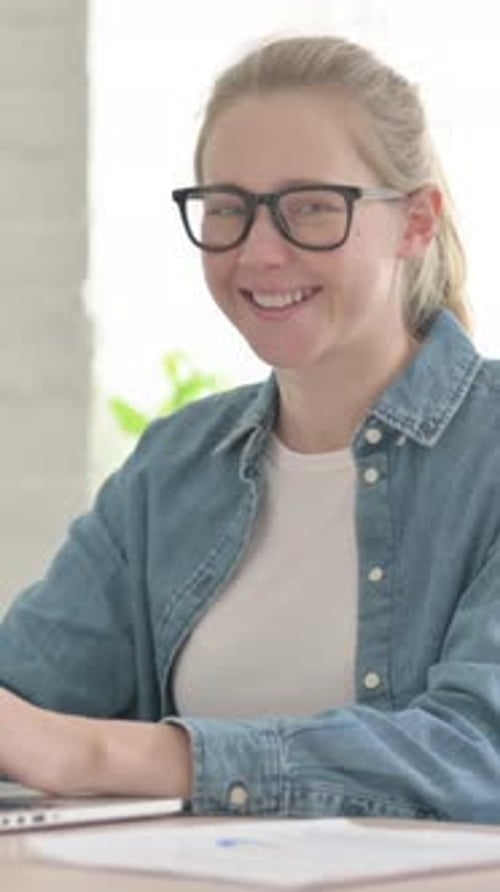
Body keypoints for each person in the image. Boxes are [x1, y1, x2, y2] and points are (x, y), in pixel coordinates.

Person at [0, 33, 499, 824]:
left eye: (309, 207)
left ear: (416, 223)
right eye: (229, 209)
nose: (260, 252)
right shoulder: (176, 466)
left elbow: (479, 752)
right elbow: (19, 702)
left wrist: (91, 753)